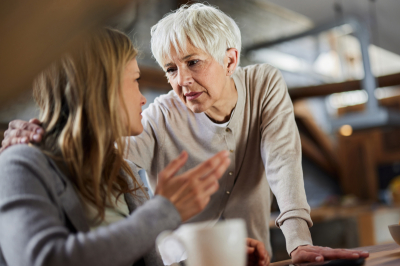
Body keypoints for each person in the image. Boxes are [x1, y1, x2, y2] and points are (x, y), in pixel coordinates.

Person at [2, 4, 369, 264]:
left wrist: (298, 243)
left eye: (193, 62)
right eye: (170, 70)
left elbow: (283, 162)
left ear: (229, 60)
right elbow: (104, 153)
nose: (180, 82)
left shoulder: (263, 83)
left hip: (251, 258)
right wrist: (45, 135)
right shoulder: (158, 116)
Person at [0, 28, 268, 266]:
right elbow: (43, 259)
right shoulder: (21, 164)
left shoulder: (122, 173)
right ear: (101, 87)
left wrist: (217, 259)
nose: (142, 98)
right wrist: (165, 211)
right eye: (135, 80)